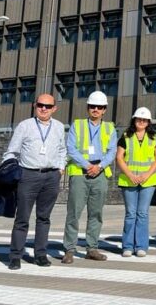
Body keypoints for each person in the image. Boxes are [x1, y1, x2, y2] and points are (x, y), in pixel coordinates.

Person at [6, 93, 67, 270]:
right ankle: (15, 255)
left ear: (54, 108)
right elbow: (12, 151)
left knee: (44, 218)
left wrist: (60, 169)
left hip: (51, 176)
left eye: (48, 106)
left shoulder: (58, 127)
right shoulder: (25, 126)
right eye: (40, 105)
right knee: (22, 218)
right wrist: (10, 171)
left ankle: (40, 254)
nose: (43, 109)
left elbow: (62, 150)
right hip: (28, 175)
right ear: (35, 106)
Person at [61, 91, 117, 264]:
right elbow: (71, 149)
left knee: (96, 213)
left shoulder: (109, 128)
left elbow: (112, 151)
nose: (96, 109)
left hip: (99, 173)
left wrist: (99, 166)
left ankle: (91, 248)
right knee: (73, 213)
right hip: (80, 172)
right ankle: (69, 249)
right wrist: (87, 165)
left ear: (104, 110)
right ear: (88, 108)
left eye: (99, 107)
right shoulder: (77, 125)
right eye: (93, 106)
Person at [115, 107, 156, 258]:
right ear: (134, 120)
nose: (141, 122)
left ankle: (141, 246)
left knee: (142, 213)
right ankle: (128, 246)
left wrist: (147, 174)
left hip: (148, 181)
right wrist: (129, 174)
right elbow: (119, 157)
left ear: (148, 122)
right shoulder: (125, 136)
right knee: (130, 214)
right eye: (139, 119)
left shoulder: (154, 137)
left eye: (144, 120)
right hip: (128, 180)